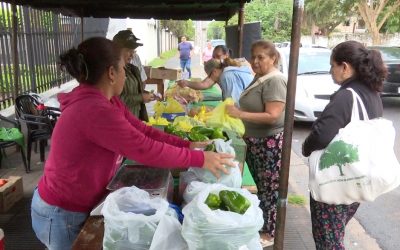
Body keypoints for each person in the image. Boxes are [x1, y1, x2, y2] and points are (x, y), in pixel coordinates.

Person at [31, 37, 235, 250]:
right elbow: (145, 148)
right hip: (61, 213)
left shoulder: (107, 101)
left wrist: (187, 145)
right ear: (111, 73)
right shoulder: (93, 109)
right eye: (123, 68)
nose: (124, 73)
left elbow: (143, 130)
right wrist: (199, 159)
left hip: (76, 204)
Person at [302, 40, 386, 250]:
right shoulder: (371, 92)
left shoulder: (346, 96)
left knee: (328, 242)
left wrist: (305, 147)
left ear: (345, 67)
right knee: (334, 236)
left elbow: (322, 135)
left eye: (332, 66)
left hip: (335, 185)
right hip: (355, 179)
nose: (331, 72)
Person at [225, 40, 287, 248]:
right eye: (254, 56)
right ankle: (264, 225)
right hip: (256, 142)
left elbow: (273, 115)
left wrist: (240, 114)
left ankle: (270, 233)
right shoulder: (260, 78)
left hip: (268, 144)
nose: (256, 61)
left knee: (270, 189)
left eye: (261, 57)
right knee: (262, 188)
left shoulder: (275, 81)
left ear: (273, 58)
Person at [113, 30, 152, 121]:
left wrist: (146, 94)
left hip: (134, 118)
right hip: (121, 120)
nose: (132, 55)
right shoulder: (111, 72)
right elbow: (114, 100)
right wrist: (141, 97)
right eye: (128, 51)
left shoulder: (132, 69)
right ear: (116, 50)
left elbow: (134, 90)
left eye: (133, 51)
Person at [178, 58, 253, 103]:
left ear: (214, 72)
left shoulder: (227, 76)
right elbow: (204, 84)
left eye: (209, 76)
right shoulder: (225, 73)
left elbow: (233, 103)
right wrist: (186, 83)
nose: (210, 79)